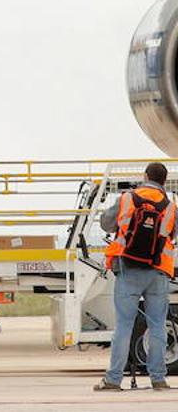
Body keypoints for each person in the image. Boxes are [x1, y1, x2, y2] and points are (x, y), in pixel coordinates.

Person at [93, 161, 176, 392]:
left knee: (124, 326)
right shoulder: (170, 207)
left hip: (128, 268)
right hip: (158, 271)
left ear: (145, 176)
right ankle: (158, 379)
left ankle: (113, 379)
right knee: (157, 326)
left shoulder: (128, 198)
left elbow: (106, 224)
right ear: (163, 180)